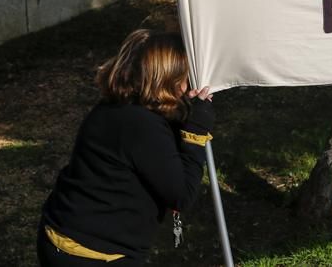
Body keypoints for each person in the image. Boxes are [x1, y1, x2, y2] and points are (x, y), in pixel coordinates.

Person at [38, 30, 214, 265]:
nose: (187, 84)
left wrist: (182, 115)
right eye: (185, 76)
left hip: (64, 236)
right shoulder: (143, 126)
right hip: (93, 255)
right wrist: (195, 133)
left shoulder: (115, 107)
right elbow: (181, 195)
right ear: (169, 79)